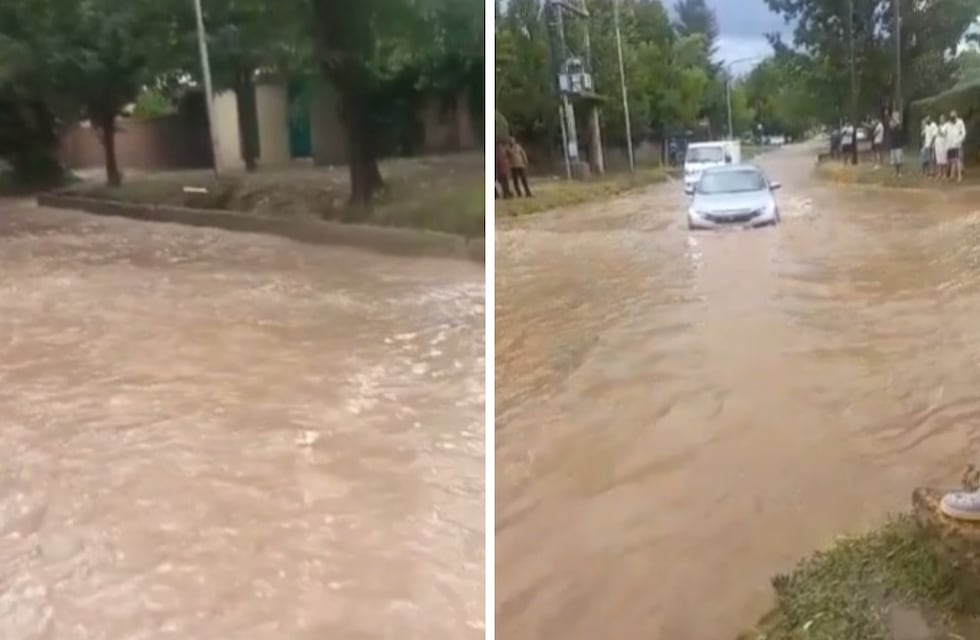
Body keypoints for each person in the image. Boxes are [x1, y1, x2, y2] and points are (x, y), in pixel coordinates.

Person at [949, 109, 966, 183]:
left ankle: (959, 176)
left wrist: (960, 140)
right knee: (953, 161)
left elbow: (964, 132)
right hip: (951, 145)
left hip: (958, 144)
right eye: (951, 115)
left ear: (956, 115)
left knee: (958, 160)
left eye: (953, 115)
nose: (952, 116)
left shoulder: (960, 121)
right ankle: (952, 176)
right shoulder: (949, 123)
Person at [887, 111, 905, 176]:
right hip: (893, 144)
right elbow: (891, 127)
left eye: (895, 115)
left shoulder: (899, 124)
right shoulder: (892, 123)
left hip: (898, 144)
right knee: (894, 160)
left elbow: (898, 127)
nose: (894, 117)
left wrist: (896, 122)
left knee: (898, 160)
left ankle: (899, 172)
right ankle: (895, 172)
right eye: (893, 115)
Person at [935, 114, 949, 180]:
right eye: (940, 118)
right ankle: (939, 173)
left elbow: (945, 135)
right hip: (938, 145)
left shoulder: (946, 126)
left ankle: (944, 174)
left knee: (944, 160)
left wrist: (940, 131)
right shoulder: (939, 126)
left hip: (943, 145)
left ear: (944, 119)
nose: (941, 120)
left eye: (942, 118)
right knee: (939, 160)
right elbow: (936, 135)